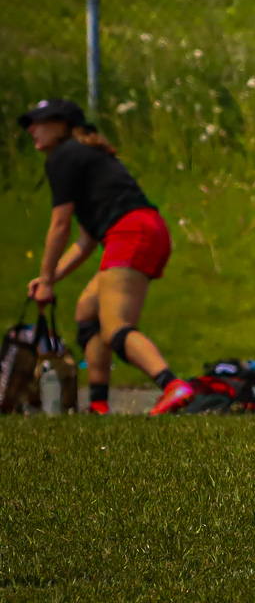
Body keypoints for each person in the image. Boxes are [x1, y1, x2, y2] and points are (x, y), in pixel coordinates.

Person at [20, 99, 194, 415]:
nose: (32, 128)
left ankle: (172, 385)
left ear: (61, 126)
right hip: (143, 228)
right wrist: (49, 279)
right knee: (88, 311)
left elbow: (60, 225)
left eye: (39, 121)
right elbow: (85, 241)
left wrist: (47, 281)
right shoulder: (85, 154)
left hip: (130, 233)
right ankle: (98, 405)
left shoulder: (63, 155)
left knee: (116, 327)